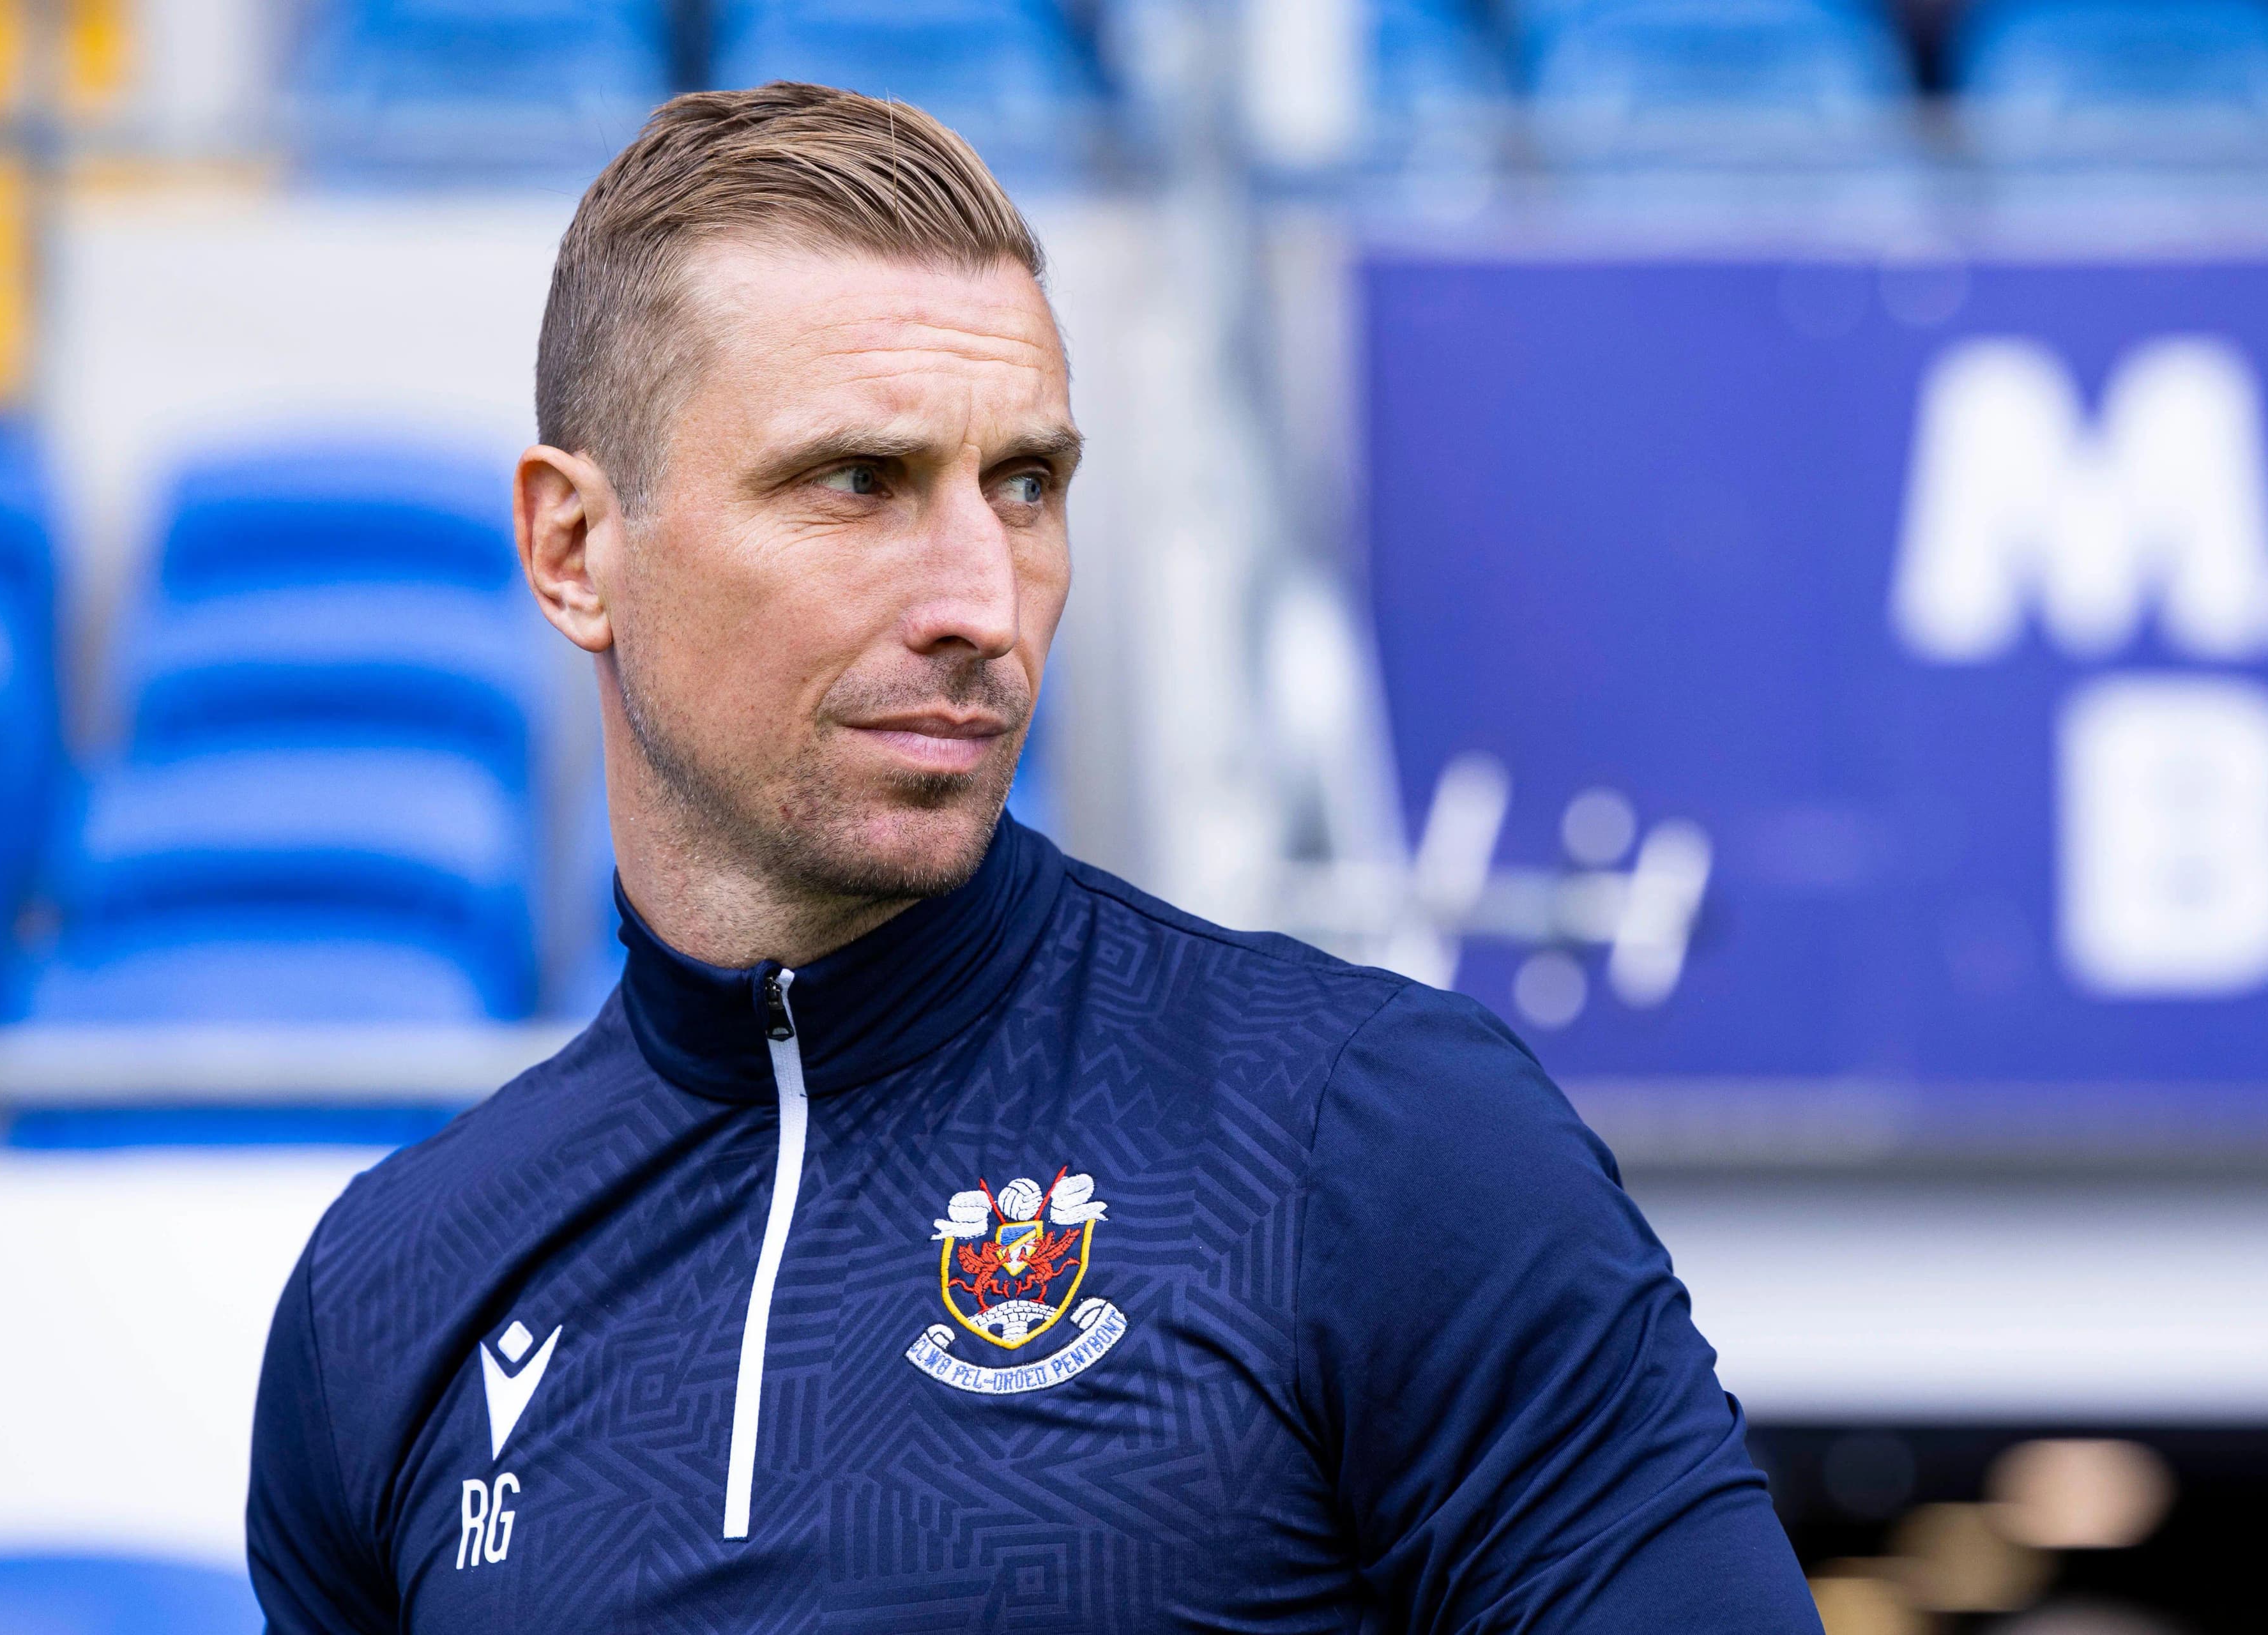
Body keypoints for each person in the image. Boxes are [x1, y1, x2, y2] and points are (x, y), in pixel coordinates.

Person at [246, 82, 1823, 1634]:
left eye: (1027, 486)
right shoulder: (389, 1294)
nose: (982, 602)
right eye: (858, 483)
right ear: (574, 550)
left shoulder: (1374, 1138)